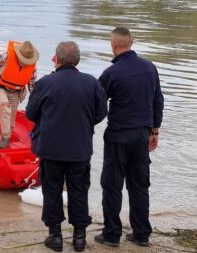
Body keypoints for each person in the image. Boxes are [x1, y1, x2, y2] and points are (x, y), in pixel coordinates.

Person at [26, 41, 107, 252]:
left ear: (58, 59)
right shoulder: (92, 84)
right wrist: (83, 124)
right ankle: (79, 238)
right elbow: (100, 113)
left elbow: (30, 114)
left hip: (51, 148)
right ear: (77, 60)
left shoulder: (45, 83)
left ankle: (55, 236)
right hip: (79, 149)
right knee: (79, 191)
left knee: (52, 190)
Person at [94, 27, 164, 248]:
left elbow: (97, 104)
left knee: (112, 184)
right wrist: (155, 131)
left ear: (113, 45)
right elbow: (158, 100)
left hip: (118, 135)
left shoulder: (111, 73)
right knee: (139, 185)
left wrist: (87, 125)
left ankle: (112, 234)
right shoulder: (149, 67)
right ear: (131, 43)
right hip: (142, 134)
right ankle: (141, 234)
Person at [0, 40, 39, 148]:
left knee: (11, 122)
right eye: (23, 60)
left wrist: (35, 102)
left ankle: (2, 145)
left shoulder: (32, 67)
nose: (25, 63)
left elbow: (32, 87)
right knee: (4, 104)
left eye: (27, 61)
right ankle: (6, 136)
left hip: (16, 91)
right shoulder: (6, 56)